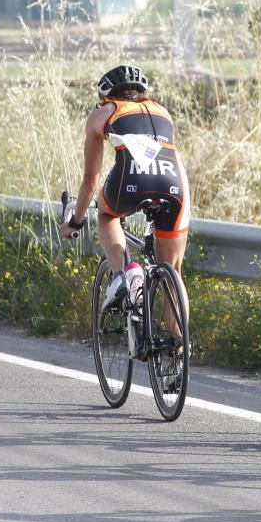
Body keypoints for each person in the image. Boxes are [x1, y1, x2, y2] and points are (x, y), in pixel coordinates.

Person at [60, 64, 191, 383]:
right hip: (174, 183)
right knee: (172, 269)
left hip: (130, 178)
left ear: (105, 95)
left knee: (106, 214)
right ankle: (177, 356)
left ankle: (128, 273)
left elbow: (90, 179)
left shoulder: (103, 113)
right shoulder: (163, 111)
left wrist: (75, 221)